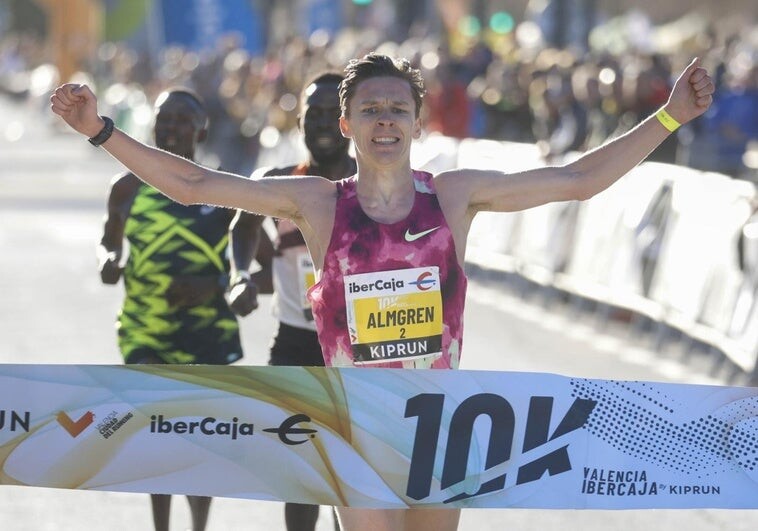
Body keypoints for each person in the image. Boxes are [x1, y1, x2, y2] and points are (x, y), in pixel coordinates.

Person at [52, 52, 714, 531]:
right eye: (370, 110)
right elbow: (194, 184)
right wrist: (100, 131)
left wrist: (670, 116)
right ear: (347, 125)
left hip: (442, 423)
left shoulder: (454, 195)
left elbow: (577, 180)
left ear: (419, 122)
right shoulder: (317, 202)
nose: (385, 121)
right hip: (359, 421)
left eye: (398, 109)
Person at [96, 88, 258, 531]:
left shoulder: (222, 188)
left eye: (182, 121)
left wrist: (220, 285)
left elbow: (254, 259)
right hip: (145, 328)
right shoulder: (127, 187)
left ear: (201, 131)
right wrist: (109, 260)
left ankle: (199, 525)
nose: (170, 128)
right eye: (163, 119)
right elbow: (109, 239)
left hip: (207, 332)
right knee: (156, 436)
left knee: (201, 442)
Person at [226, 72, 353, 531]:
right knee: (299, 473)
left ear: (349, 122)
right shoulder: (278, 183)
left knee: (349, 475)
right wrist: (240, 276)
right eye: (312, 114)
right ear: (298, 122)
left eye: (332, 114)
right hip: (296, 342)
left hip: (359, 351)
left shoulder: (374, 186)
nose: (322, 123)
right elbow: (241, 227)